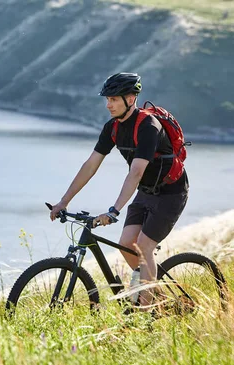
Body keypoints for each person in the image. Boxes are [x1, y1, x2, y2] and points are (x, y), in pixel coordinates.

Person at [49, 72, 189, 309]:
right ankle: (159, 300)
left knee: (144, 246)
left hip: (171, 193)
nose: (108, 104)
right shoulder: (112, 128)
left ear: (131, 98)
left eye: (114, 99)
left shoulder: (148, 126)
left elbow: (135, 172)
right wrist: (64, 201)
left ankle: (145, 315)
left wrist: (114, 210)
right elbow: (90, 165)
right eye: (107, 99)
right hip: (146, 191)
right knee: (127, 243)